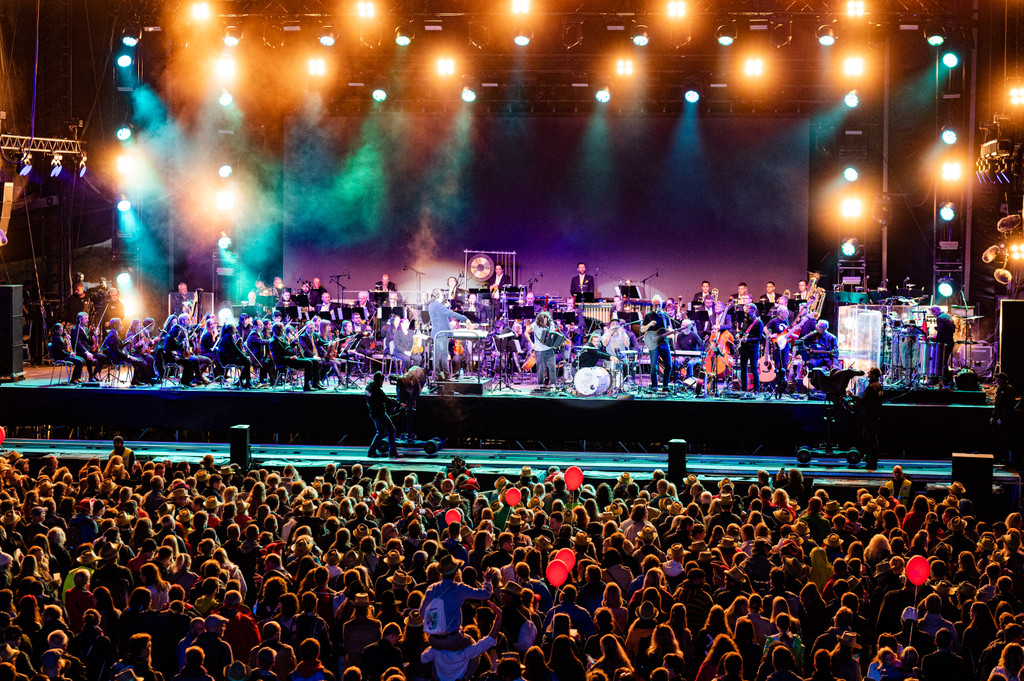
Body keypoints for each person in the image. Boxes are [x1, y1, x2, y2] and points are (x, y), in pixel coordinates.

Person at [427, 289, 468, 381]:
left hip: (438, 333)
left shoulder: (433, 305)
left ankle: (437, 375)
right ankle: (447, 376)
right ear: (437, 296)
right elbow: (450, 314)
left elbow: (444, 315)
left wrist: (446, 307)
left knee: (437, 356)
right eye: (441, 295)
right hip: (442, 333)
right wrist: (464, 318)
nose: (443, 296)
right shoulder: (438, 305)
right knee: (444, 356)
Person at [639, 295, 673, 392]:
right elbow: (642, 329)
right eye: (655, 304)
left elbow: (668, 328)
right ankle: (654, 387)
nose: (657, 306)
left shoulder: (665, 315)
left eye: (659, 304)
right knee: (654, 366)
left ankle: (665, 386)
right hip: (653, 343)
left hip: (664, 342)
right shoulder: (648, 315)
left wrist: (673, 331)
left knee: (668, 365)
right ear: (652, 304)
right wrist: (649, 324)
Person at [366, 371, 398, 458]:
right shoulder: (377, 390)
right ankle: (393, 452)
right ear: (380, 380)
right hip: (379, 413)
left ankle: (371, 452)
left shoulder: (368, 387)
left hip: (373, 413)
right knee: (392, 431)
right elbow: (386, 399)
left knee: (381, 432)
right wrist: (398, 403)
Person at [737, 304, 764, 393]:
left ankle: (757, 390)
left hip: (753, 348)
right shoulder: (745, 320)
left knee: (754, 369)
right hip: (744, 347)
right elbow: (744, 331)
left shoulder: (759, 322)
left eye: (747, 310)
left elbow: (759, 338)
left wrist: (748, 340)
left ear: (753, 311)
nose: (745, 311)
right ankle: (744, 389)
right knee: (743, 369)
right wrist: (739, 334)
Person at [993, 372, 1018, 468]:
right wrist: (993, 416)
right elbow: (997, 404)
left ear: (1002, 379)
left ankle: (1008, 461)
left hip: (1006, 420)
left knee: (1006, 440)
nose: (996, 380)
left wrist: (1002, 418)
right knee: (999, 440)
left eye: (997, 378)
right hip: (999, 418)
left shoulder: (1008, 389)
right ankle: (1000, 458)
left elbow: (1007, 406)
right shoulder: (1000, 389)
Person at [528, 311, 557, 387]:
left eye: (546, 320)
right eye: (543, 320)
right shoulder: (534, 325)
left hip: (549, 349)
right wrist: (531, 343)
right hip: (539, 350)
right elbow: (526, 333)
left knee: (552, 366)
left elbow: (553, 334)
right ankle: (540, 384)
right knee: (541, 368)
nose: (545, 322)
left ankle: (553, 384)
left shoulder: (551, 324)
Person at [861, 368, 883, 469]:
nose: (868, 375)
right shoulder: (879, 386)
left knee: (869, 439)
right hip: (875, 415)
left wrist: (852, 396)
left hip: (869, 416)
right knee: (874, 439)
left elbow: (864, 401)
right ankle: (873, 459)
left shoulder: (871, 387)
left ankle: (871, 462)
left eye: (869, 373)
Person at [930, 306, 956, 387]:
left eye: (933, 314)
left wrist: (937, 342)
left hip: (945, 342)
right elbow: (953, 330)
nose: (933, 316)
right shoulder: (948, 316)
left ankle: (948, 380)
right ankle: (947, 381)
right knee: (944, 362)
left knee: (942, 362)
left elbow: (940, 331)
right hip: (950, 342)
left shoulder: (940, 318)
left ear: (935, 312)